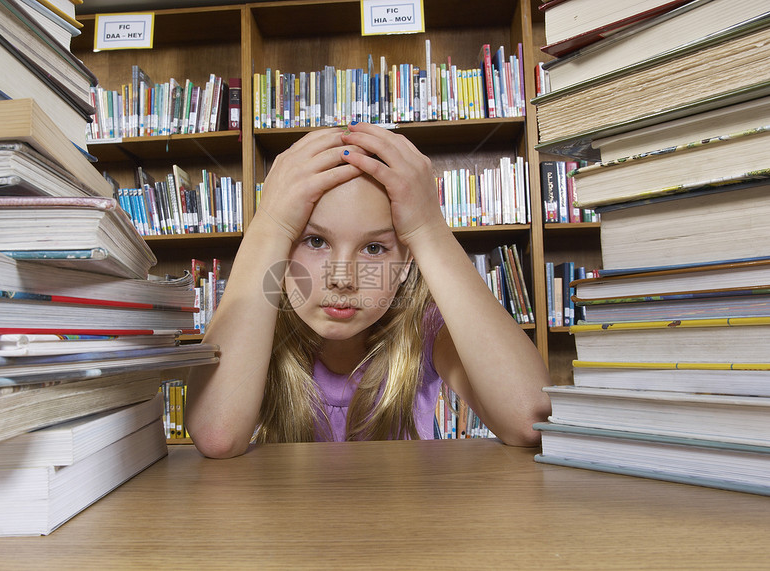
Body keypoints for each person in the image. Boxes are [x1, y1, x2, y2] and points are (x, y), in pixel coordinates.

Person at [185, 121, 551, 458]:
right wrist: (270, 224)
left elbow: (528, 419)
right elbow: (217, 435)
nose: (342, 278)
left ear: (407, 262)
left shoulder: (425, 327)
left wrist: (428, 228)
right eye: (315, 241)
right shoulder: (262, 326)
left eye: (374, 248)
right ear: (281, 251)